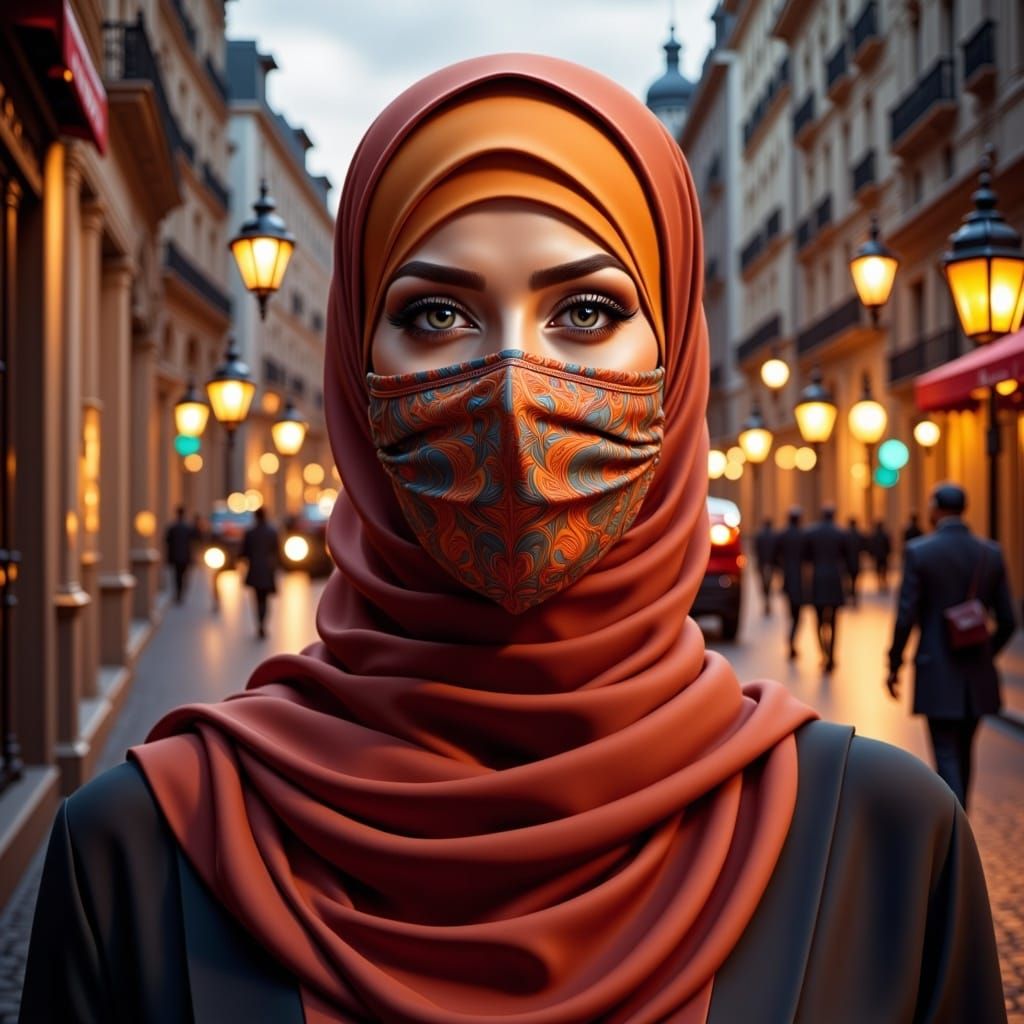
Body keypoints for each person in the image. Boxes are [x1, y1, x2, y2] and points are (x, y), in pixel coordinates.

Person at [21, 56, 1005, 1023]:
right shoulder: (135, 853)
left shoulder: (885, 842)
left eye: (587, 310)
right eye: (435, 313)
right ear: (354, 364)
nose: (510, 387)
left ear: (677, 354)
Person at [887, 483, 1016, 811]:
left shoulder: (919, 552)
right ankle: (962, 819)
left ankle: (957, 826)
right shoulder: (990, 553)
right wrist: (987, 651)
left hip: (936, 669)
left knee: (945, 753)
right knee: (965, 752)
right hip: (977, 673)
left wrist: (894, 662)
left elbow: (905, 617)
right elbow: (1008, 620)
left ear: (936, 508)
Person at [802, 504, 848, 672]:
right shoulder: (840, 533)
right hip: (834, 579)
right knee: (834, 621)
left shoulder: (812, 533)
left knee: (819, 620)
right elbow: (846, 557)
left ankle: (823, 652)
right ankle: (832, 655)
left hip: (818, 579)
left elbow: (806, 557)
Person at [240, 506, 280, 639]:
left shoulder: (250, 533)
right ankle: (263, 623)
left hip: (255, 569)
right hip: (268, 570)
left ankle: (259, 623)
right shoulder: (272, 532)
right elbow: (277, 551)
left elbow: (244, 552)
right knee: (265, 599)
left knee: (257, 599)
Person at [773, 506, 807, 660]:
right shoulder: (803, 535)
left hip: (788, 578)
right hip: (800, 579)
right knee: (797, 616)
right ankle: (792, 639)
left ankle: (791, 639)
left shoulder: (783, 535)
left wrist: (781, 568)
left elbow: (774, 556)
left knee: (791, 614)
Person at [164, 505, 196, 605]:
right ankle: (180, 593)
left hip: (175, 556)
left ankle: (178, 593)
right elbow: (193, 541)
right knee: (182, 575)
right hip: (185, 556)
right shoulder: (187, 527)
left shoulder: (173, 527)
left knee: (177, 575)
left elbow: (167, 541)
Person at [753, 517, 776, 615]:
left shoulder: (760, 535)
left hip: (762, 563)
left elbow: (755, 550)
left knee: (764, 583)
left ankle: (766, 598)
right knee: (768, 583)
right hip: (770, 563)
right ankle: (767, 598)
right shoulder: (774, 536)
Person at [867, 519, 892, 592]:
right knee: (884, 571)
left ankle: (880, 583)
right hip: (883, 555)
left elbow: (872, 546)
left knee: (878, 570)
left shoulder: (875, 535)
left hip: (878, 556)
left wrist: (872, 554)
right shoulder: (884, 535)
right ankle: (883, 583)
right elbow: (888, 546)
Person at [845, 516, 865, 606]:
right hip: (856, 560)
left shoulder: (846, 535)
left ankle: (850, 593)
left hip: (848, 561)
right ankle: (853, 593)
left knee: (848, 579)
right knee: (854, 579)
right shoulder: (859, 535)